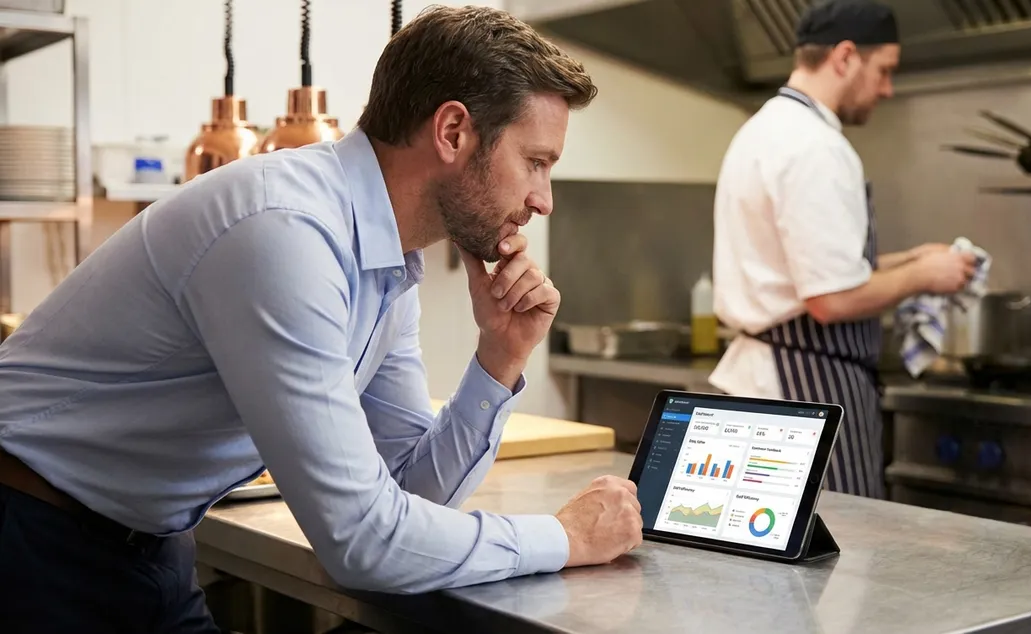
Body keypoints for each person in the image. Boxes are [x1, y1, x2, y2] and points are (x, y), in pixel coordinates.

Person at [0, 6, 643, 632]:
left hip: (146, 548)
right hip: (29, 537)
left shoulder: (387, 265)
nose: (544, 200)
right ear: (452, 132)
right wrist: (563, 538)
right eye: (536, 161)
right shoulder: (286, 232)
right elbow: (362, 542)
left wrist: (499, 359)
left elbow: (408, 497)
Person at [709, 0, 975, 500]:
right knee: (837, 565)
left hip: (763, 383)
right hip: (805, 394)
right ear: (846, 56)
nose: (887, 89)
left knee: (767, 568)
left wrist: (914, 258)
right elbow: (831, 299)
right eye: (884, 71)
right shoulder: (816, 147)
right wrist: (925, 278)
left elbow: (813, 267)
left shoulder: (765, 129)